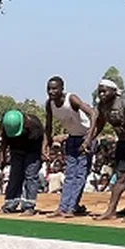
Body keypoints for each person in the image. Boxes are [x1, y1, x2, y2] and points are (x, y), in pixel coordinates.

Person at [44, 75, 98, 219]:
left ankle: (72, 207)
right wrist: (45, 145)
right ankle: (62, 207)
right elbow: (48, 126)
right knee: (69, 175)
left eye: (54, 89)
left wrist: (88, 139)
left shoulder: (72, 99)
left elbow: (93, 114)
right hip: (72, 138)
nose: (51, 92)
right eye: (49, 89)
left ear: (62, 89)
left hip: (85, 139)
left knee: (79, 175)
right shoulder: (49, 104)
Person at [92, 79, 125, 221]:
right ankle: (111, 210)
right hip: (122, 143)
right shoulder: (102, 106)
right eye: (100, 91)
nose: (102, 94)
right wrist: (89, 139)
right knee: (121, 176)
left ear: (114, 91)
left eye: (104, 91)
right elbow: (99, 124)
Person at [0, 108, 46, 215]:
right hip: (16, 150)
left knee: (31, 176)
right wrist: (2, 155)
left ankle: (29, 206)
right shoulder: (6, 124)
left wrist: (43, 151)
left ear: (24, 123)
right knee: (15, 176)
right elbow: (4, 140)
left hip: (32, 150)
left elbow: (44, 137)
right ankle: (10, 204)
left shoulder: (34, 125)